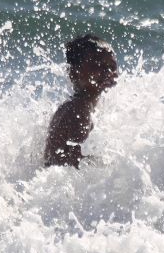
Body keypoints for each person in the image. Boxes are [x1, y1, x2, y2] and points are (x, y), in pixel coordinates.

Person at [44, 35, 119, 168]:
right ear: (73, 72)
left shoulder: (74, 106)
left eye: (112, 66)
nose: (107, 71)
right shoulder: (79, 110)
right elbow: (78, 166)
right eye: (97, 65)